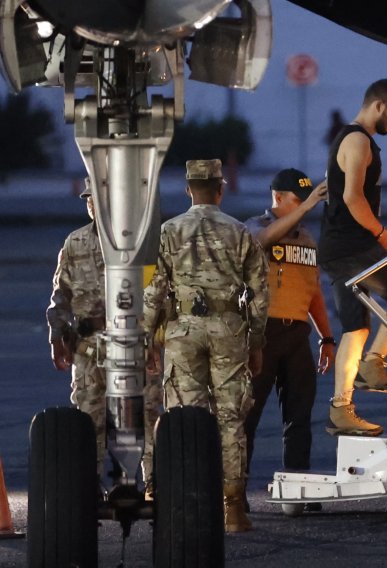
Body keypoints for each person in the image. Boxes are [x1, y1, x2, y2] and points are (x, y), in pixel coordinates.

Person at [143, 159, 268, 533]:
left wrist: (148, 338)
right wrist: (256, 340)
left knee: (184, 419)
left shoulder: (168, 231)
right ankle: (233, 509)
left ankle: (189, 501)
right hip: (228, 328)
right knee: (231, 418)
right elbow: (260, 292)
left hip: (182, 331)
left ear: (187, 190)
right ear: (220, 188)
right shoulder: (240, 232)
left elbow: (154, 289)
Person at [318, 78, 387, 436]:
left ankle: (341, 408)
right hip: (353, 247)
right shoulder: (359, 140)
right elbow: (352, 198)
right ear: (378, 105)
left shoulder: (349, 139)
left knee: (355, 328)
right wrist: (381, 233)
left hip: (339, 247)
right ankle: (373, 366)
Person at [46, 176, 162, 493]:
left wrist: (155, 340)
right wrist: (57, 333)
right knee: (88, 417)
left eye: (100, 198)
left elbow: (159, 292)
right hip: (88, 348)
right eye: (89, 199)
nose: (93, 204)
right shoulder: (75, 243)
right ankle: (89, 486)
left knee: (147, 415)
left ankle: (153, 481)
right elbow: (61, 294)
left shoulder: (141, 242)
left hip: (133, 341)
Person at [243, 168, 335, 481]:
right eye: (299, 200)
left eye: (308, 201)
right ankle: (234, 492)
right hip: (262, 332)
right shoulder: (256, 226)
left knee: (300, 417)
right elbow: (259, 241)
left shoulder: (306, 238)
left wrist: (327, 338)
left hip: (297, 335)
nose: (305, 206)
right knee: (247, 416)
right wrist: (308, 206)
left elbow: (314, 292)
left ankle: (299, 485)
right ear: (278, 197)